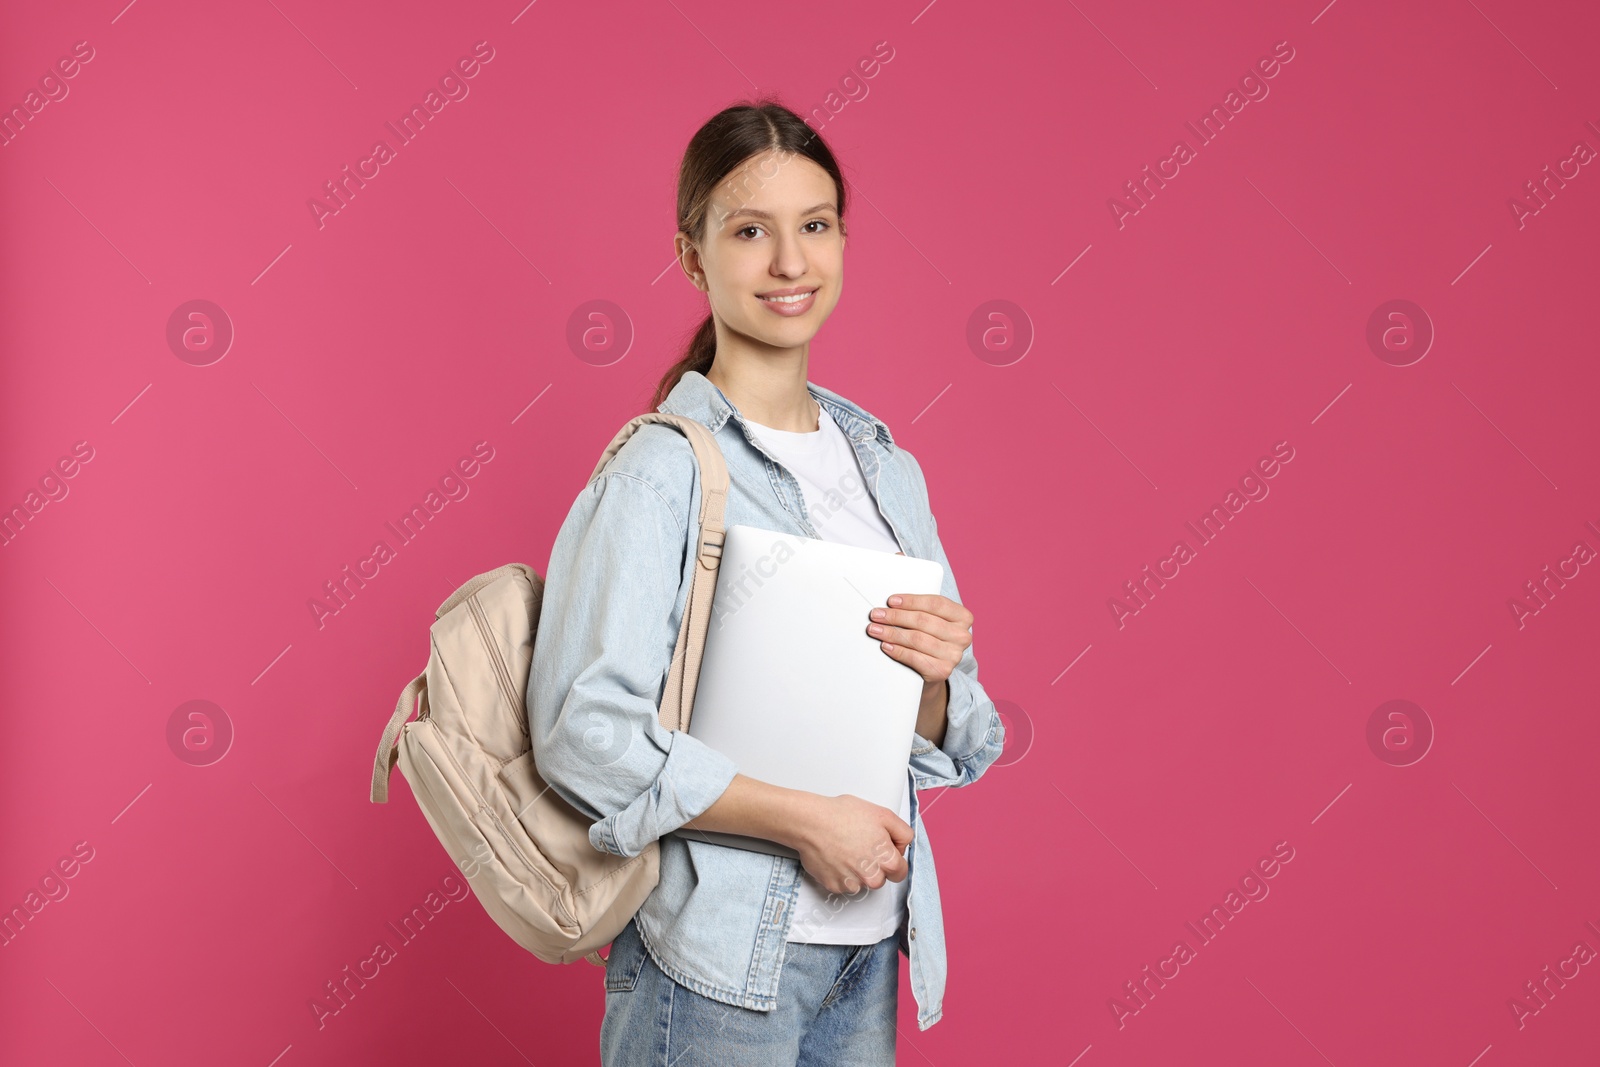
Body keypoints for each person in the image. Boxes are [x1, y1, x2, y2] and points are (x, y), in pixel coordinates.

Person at [526, 98, 1004, 1067]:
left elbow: (965, 736)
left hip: (866, 955)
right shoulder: (660, 471)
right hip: (715, 961)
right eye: (751, 231)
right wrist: (803, 819)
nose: (791, 263)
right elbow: (583, 731)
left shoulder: (882, 465)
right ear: (694, 257)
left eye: (815, 226)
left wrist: (937, 680)